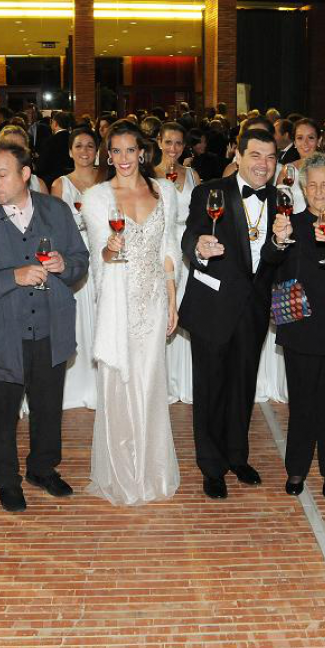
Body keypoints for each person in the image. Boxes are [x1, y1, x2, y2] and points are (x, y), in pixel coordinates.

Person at [0, 141, 89, 513]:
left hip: (50, 328)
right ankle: (6, 480)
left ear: (25, 174)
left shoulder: (56, 211)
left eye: (2, 175)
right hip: (1, 333)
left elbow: (80, 259)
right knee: (2, 412)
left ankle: (43, 469)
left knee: (48, 407)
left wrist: (65, 265)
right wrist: (13, 275)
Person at [82, 122, 181, 505]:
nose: (124, 158)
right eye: (116, 151)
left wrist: (172, 298)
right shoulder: (96, 198)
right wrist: (110, 247)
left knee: (150, 383)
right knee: (119, 386)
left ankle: (152, 471)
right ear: (108, 156)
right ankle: (122, 474)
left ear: (142, 152)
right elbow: (100, 260)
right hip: (118, 303)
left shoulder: (165, 192)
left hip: (154, 301)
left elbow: (169, 248)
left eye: (130, 150)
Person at [180, 126, 279, 499]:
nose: (263, 164)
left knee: (242, 386)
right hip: (214, 305)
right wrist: (199, 248)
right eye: (255, 155)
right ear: (238, 155)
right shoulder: (210, 192)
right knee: (210, 389)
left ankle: (237, 456)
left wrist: (282, 244)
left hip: (254, 308)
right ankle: (211, 467)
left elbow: (276, 257)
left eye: (270, 157)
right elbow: (190, 235)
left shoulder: (280, 198)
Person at [261, 152, 325, 498]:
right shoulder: (290, 223)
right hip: (300, 327)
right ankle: (297, 469)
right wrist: (277, 240)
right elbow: (269, 263)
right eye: (312, 185)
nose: (318, 192)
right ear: (303, 188)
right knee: (302, 404)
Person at [49, 127, 101, 410]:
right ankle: (77, 384)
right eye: (78, 146)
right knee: (78, 317)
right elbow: (56, 227)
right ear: (70, 151)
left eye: (90, 146)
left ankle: (101, 384)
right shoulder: (60, 185)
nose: (84, 151)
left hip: (103, 253)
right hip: (74, 257)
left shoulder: (107, 180)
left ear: (97, 151)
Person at [154, 122, 200, 404]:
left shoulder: (193, 174)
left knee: (189, 309)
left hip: (190, 247)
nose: (173, 148)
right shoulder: (149, 174)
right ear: (159, 142)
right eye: (168, 142)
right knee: (164, 311)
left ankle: (187, 381)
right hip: (163, 246)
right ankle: (163, 383)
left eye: (179, 143)